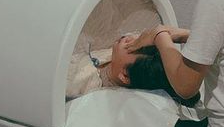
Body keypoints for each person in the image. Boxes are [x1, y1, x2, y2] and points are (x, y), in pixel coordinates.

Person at [67, 33, 200, 106]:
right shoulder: (114, 57)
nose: (129, 38)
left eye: (132, 47)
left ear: (125, 76)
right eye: (139, 39)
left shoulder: (84, 88)